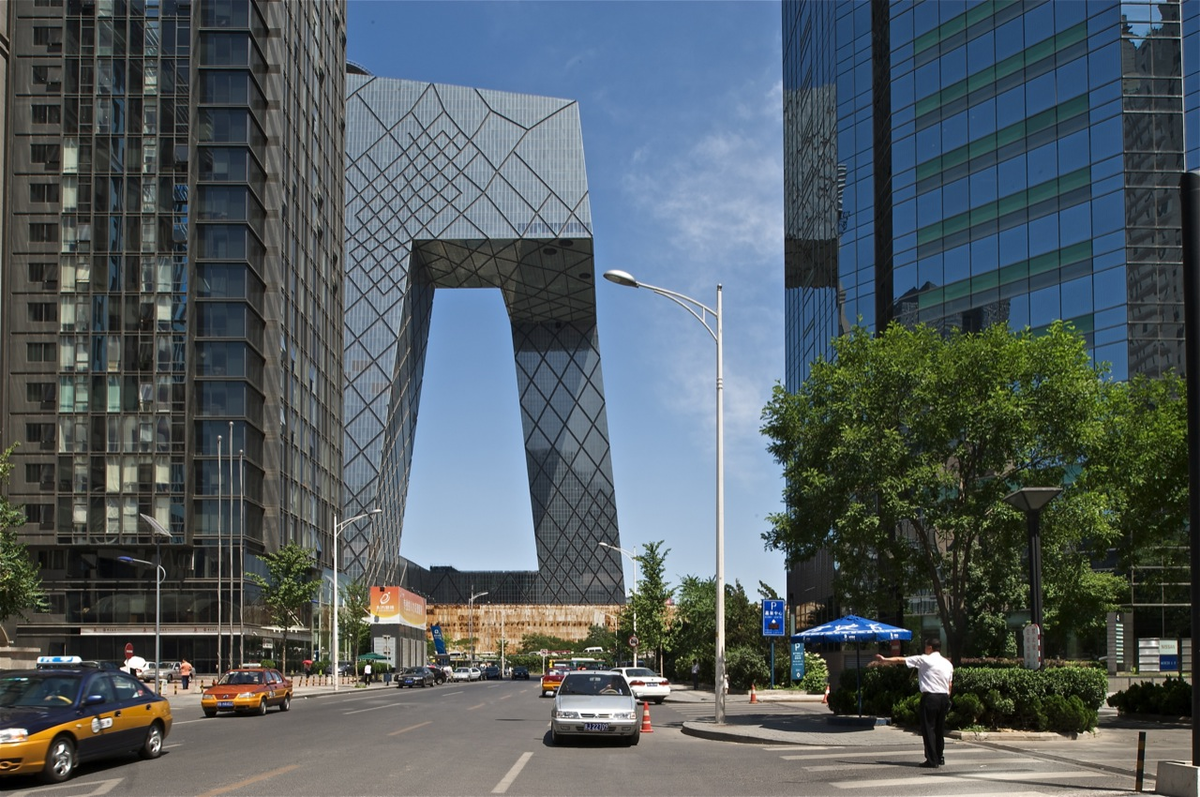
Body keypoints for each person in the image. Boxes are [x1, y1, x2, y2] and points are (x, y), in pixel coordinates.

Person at [871, 638, 954, 768]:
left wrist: (884, 659)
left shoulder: (924, 659)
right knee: (939, 729)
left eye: (926, 647)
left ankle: (931, 760)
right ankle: (939, 757)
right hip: (944, 697)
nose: (925, 649)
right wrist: (947, 698)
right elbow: (950, 684)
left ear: (930, 648)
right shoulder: (947, 663)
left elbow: (901, 660)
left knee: (928, 729)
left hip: (930, 697)